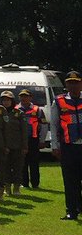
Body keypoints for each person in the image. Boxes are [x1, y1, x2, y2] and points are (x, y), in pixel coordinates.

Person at [53, 70, 82, 221]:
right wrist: (55, 145)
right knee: (70, 181)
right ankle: (72, 210)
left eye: (76, 82)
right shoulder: (59, 101)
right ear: (66, 85)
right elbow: (54, 124)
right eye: (70, 83)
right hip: (69, 146)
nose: (73, 86)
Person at [15, 89, 45, 192]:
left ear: (31, 97)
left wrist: (42, 140)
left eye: (26, 96)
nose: (24, 98)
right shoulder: (16, 109)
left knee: (34, 162)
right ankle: (24, 183)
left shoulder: (38, 110)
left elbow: (44, 126)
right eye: (22, 96)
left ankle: (35, 183)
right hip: (20, 140)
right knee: (22, 162)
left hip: (34, 139)